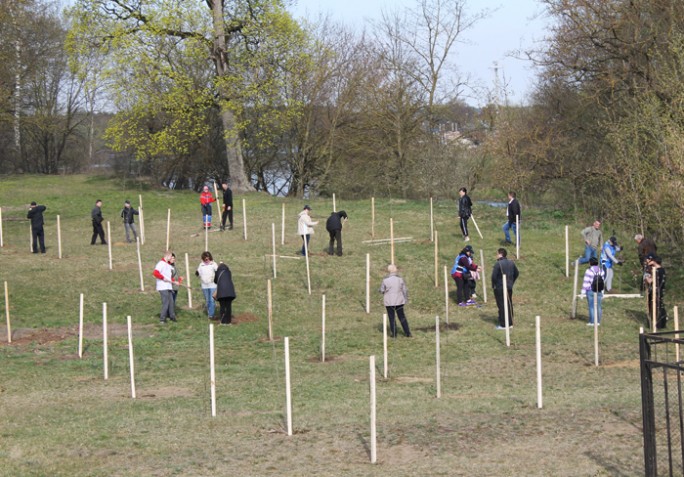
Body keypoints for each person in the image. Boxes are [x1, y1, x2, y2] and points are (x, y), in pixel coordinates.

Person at [379, 264, 412, 338]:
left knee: (391, 317)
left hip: (389, 302)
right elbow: (404, 290)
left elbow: (382, 290)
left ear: (389, 271)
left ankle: (394, 334)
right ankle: (408, 333)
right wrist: (405, 299)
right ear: (395, 270)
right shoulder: (400, 279)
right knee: (402, 317)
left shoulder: (385, 280)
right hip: (399, 301)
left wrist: (382, 291)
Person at [491, 248, 519, 329]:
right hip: (509, 287)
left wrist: (494, 285)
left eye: (497, 253)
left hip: (500, 287)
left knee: (502, 305)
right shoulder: (511, 262)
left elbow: (494, 277)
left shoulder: (498, 264)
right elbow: (516, 273)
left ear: (500, 254)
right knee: (509, 304)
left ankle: (503, 324)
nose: (496, 255)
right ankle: (510, 323)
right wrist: (511, 282)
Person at [153, 250, 177, 324]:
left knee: (171, 302)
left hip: (169, 286)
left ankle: (172, 317)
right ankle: (162, 319)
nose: (171, 258)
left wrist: (174, 281)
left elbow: (169, 276)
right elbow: (155, 273)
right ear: (167, 256)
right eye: (170, 256)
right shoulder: (161, 264)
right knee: (165, 302)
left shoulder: (168, 265)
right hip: (162, 286)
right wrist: (163, 278)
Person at [644, 254, 667, 329]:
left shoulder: (657, 271)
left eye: (648, 259)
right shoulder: (661, 270)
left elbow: (651, 281)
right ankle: (657, 324)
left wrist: (647, 277)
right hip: (657, 291)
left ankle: (658, 325)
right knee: (658, 307)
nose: (647, 261)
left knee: (657, 307)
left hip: (656, 292)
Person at [581, 257, 605, 326]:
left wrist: (583, 292)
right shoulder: (601, 271)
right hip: (599, 290)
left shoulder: (588, 271)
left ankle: (592, 322)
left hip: (590, 290)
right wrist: (602, 292)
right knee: (599, 306)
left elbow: (585, 282)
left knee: (591, 306)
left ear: (590, 263)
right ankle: (598, 322)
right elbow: (602, 281)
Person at [196, 251, 218, 319]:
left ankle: (211, 315)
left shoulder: (213, 264)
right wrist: (197, 273)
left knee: (212, 300)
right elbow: (198, 272)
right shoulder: (201, 265)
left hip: (212, 285)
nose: (207, 260)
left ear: (210, 258)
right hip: (204, 285)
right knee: (207, 300)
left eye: (208, 259)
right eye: (205, 259)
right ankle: (209, 313)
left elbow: (218, 271)